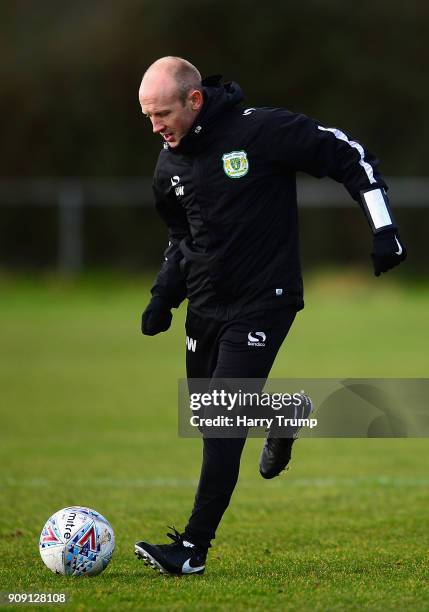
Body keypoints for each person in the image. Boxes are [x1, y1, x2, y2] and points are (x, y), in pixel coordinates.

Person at [134, 56, 406, 576]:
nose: (156, 127)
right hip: (206, 305)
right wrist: (163, 297)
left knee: (222, 422)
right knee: (208, 415)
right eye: (148, 117)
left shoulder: (261, 131)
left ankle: (193, 548)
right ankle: (283, 415)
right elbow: (182, 239)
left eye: (163, 113)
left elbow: (349, 155)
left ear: (194, 100)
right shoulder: (168, 167)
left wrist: (384, 227)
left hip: (265, 298)